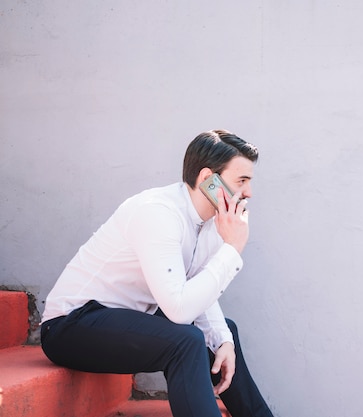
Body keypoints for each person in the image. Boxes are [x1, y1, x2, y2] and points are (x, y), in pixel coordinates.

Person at [40, 130, 274, 417]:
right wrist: (232, 249)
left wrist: (222, 339)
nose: (248, 192)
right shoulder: (157, 212)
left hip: (126, 320)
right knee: (187, 341)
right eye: (241, 181)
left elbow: (197, 290)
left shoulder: (213, 223)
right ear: (207, 180)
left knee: (224, 331)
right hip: (70, 326)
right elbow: (178, 309)